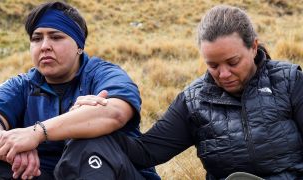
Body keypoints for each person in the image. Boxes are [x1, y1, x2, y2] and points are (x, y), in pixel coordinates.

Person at [73, 5, 303, 180]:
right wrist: (92, 119)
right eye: (213, 65)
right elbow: (146, 153)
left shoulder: (290, 81)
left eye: (233, 62)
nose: (223, 74)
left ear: (253, 47)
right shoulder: (193, 101)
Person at [0, 1, 159, 180]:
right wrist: (8, 146)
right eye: (36, 38)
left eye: (56, 37)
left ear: (79, 46)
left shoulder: (104, 74)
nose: (44, 46)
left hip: (115, 172)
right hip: (45, 173)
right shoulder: (21, 85)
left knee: (89, 141)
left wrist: (35, 133)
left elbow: (115, 113)